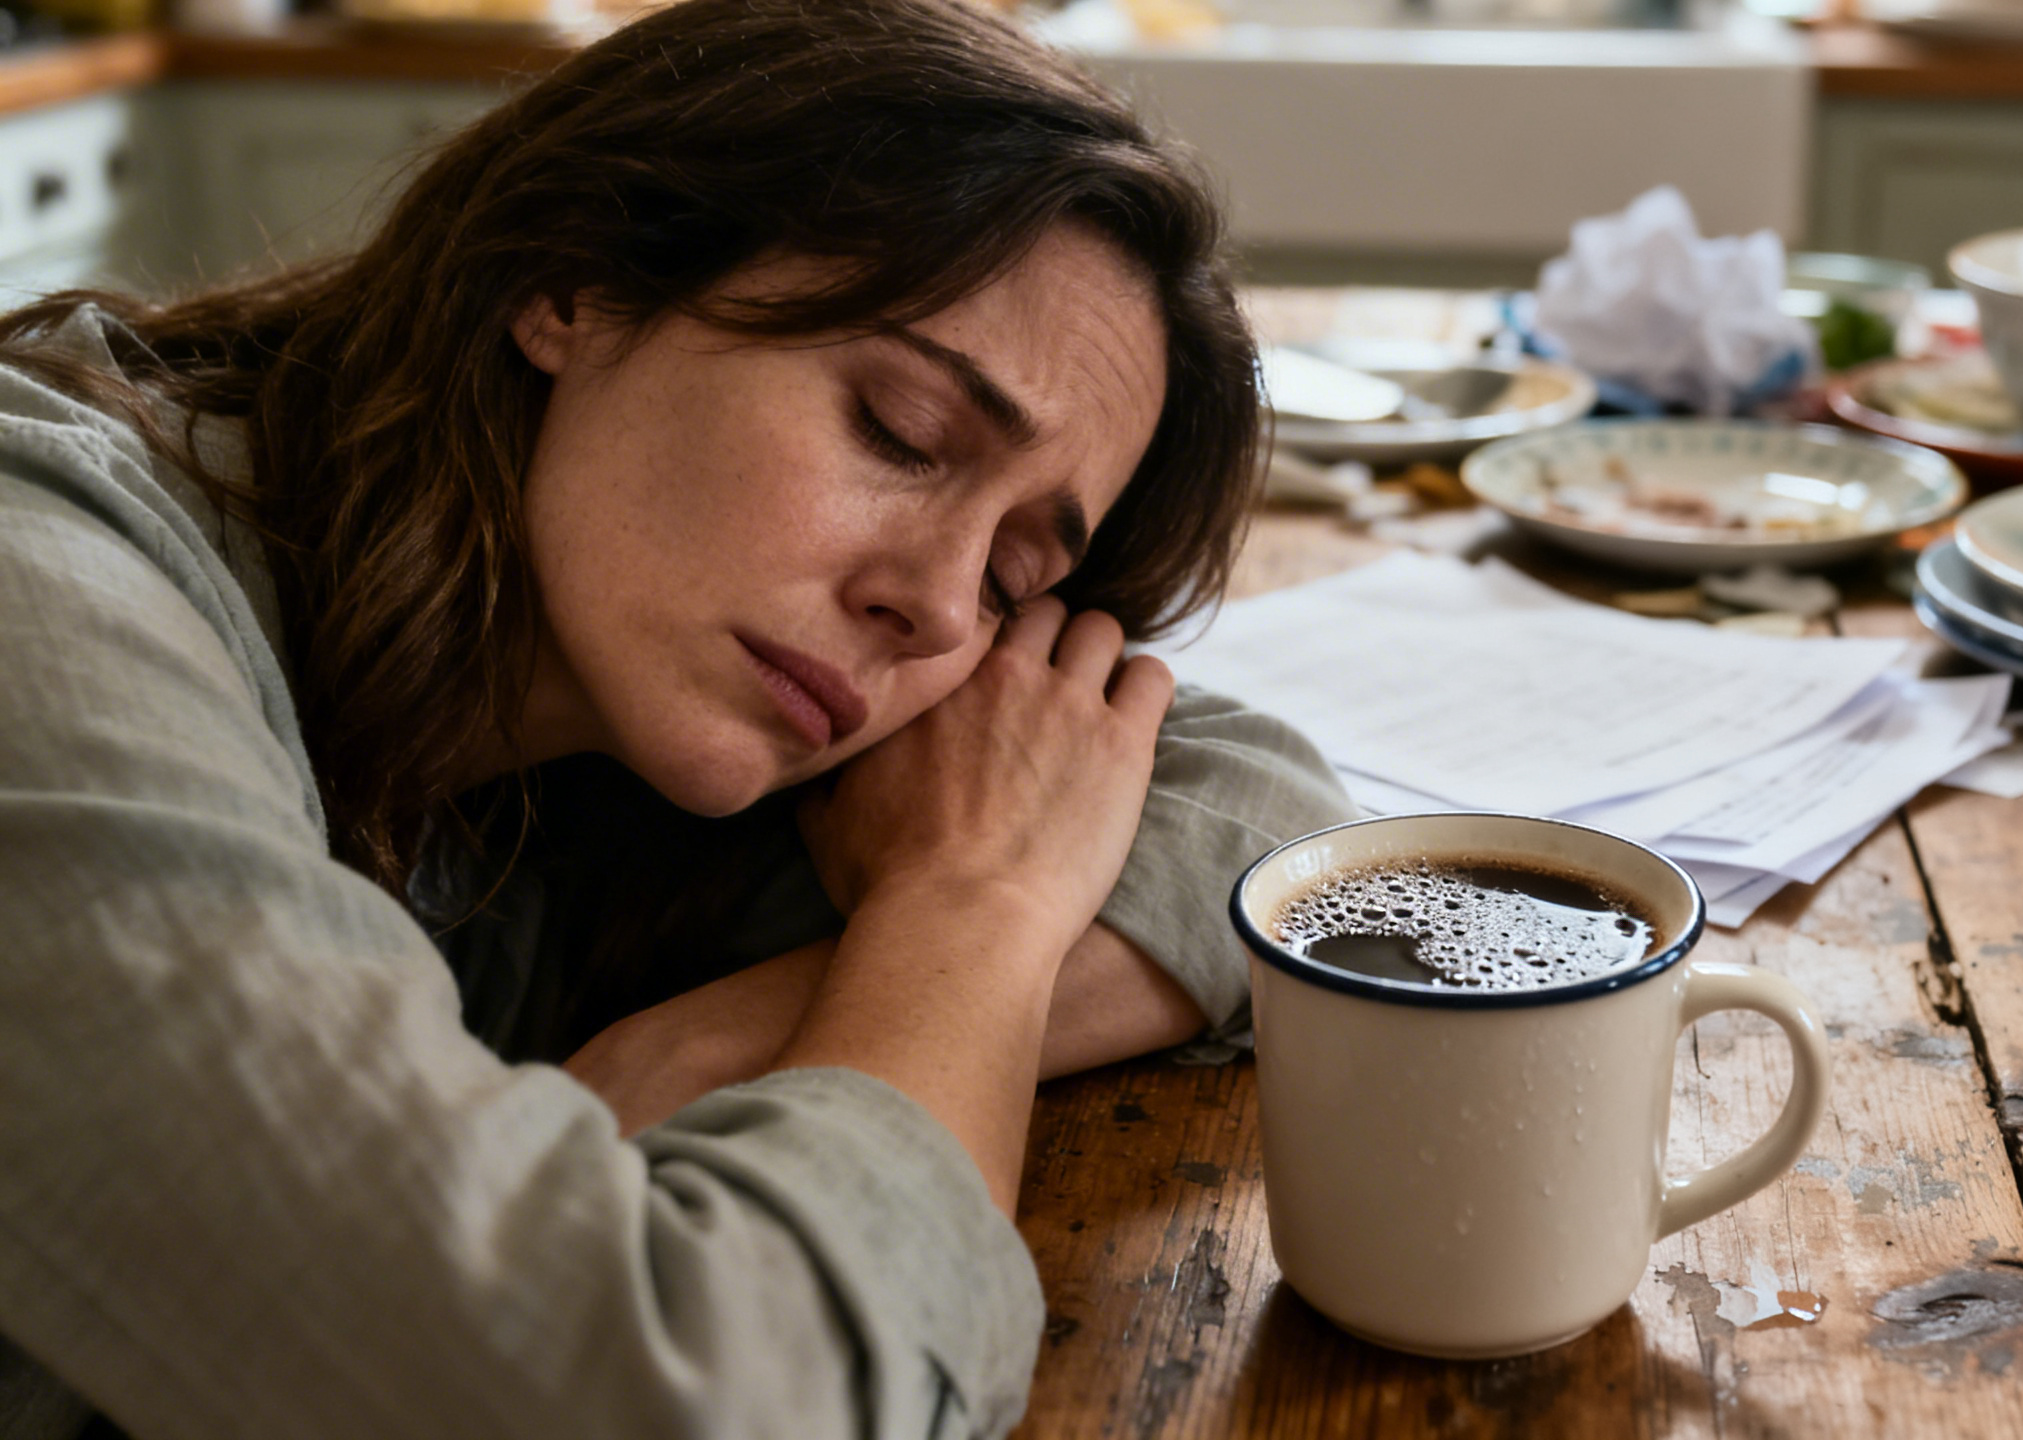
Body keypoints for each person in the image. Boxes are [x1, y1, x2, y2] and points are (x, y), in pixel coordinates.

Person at [0, 1, 1355, 1436]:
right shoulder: (47, 607)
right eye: (898, 433)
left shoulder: (587, 705)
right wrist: (970, 912)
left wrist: (708, 1046)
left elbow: (1265, 821)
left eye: (1022, 568)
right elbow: (701, 1398)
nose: (948, 612)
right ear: (572, 278)